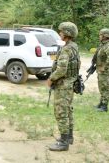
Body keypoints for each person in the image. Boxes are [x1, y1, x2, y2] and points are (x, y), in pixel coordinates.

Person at [46, 22, 80, 151]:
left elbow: (61, 70)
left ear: (67, 34)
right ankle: (69, 137)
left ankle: (64, 142)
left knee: (61, 113)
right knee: (68, 111)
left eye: (61, 32)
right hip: (70, 84)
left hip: (63, 85)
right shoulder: (73, 46)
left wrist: (51, 79)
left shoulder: (66, 49)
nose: (59, 33)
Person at [95, 28, 109, 112]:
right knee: (101, 86)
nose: (99, 36)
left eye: (101, 35)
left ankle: (105, 106)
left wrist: (104, 67)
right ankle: (101, 102)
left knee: (104, 87)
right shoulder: (103, 44)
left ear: (105, 36)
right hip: (100, 68)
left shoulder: (108, 45)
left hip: (104, 70)